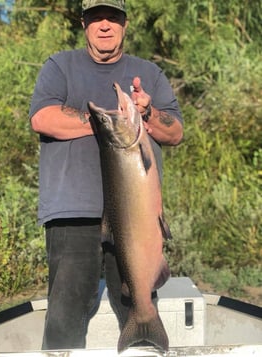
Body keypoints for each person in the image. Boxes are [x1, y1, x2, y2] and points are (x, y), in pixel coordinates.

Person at [29, 0, 183, 350]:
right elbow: (43, 118)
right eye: (96, 18)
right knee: (65, 313)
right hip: (73, 213)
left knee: (139, 299)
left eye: (112, 18)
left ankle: (145, 332)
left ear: (125, 24)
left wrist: (148, 114)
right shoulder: (60, 65)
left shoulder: (150, 73)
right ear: (83, 23)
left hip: (137, 220)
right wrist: (103, 121)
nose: (104, 26)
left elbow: (175, 133)